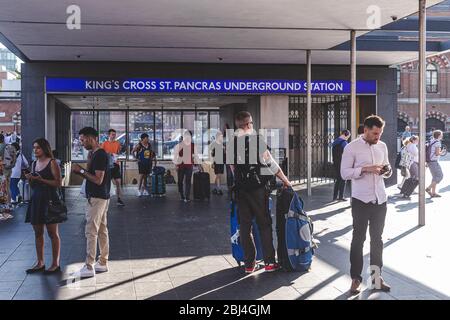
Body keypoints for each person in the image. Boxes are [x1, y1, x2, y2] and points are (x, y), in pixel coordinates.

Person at [232, 111, 291, 273]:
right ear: (247, 124)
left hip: (241, 191)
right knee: (264, 224)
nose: (252, 125)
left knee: (245, 226)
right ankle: (270, 262)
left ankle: (249, 264)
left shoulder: (230, 143)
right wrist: (285, 180)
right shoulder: (256, 140)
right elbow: (271, 163)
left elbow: (232, 169)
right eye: (251, 123)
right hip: (258, 190)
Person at [341, 115, 392, 294]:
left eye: (380, 133)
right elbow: (344, 173)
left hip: (380, 199)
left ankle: (377, 278)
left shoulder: (383, 146)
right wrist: (365, 169)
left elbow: (387, 168)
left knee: (377, 240)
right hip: (360, 200)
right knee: (358, 240)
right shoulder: (351, 147)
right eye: (375, 133)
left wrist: (386, 170)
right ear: (365, 130)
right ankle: (356, 279)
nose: (378, 137)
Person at [72, 127, 111, 278]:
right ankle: (102, 262)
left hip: (97, 198)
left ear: (90, 138)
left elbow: (97, 179)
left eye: (82, 140)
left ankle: (89, 266)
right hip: (100, 197)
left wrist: (80, 171)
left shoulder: (100, 155)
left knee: (91, 231)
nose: (81, 143)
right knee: (101, 229)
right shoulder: (95, 154)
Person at [24, 138, 63, 274]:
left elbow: (58, 183)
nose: (35, 150)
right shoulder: (34, 164)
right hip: (36, 199)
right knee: (38, 232)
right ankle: (40, 262)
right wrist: (31, 180)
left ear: (44, 149)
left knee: (53, 233)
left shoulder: (52, 163)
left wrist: (42, 180)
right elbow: (34, 185)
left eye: (38, 148)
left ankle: (55, 263)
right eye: (34, 147)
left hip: (50, 199)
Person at [173, 130, 200, 203]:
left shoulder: (193, 145)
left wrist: (198, 164)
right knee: (180, 182)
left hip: (189, 166)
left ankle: (187, 197)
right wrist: (176, 165)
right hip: (180, 165)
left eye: (189, 136)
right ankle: (182, 194)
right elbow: (175, 156)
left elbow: (196, 155)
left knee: (188, 181)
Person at [101, 129, 125, 206]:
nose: (114, 136)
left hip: (116, 165)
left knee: (118, 182)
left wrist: (115, 155)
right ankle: (105, 198)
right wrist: (108, 154)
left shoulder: (117, 143)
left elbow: (117, 153)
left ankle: (119, 199)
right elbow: (101, 153)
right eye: (112, 134)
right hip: (108, 166)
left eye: (114, 134)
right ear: (109, 135)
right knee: (106, 183)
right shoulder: (104, 143)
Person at [332, 130, 351, 201]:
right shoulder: (344, 143)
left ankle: (334, 196)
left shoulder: (335, 141)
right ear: (345, 135)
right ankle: (341, 196)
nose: (347, 138)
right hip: (342, 163)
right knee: (343, 179)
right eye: (348, 137)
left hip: (335, 163)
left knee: (338, 179)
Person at [426, 130, 445, 198]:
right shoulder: (437, 143)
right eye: (441, 134)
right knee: (440, 176)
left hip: (430, 161)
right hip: (433, 161)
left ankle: (433, 193)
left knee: (435, 177)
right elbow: (437, 153)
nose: (442, 135)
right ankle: (428, 188)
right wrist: (441, 152)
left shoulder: (432, 140)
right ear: (439, 135)